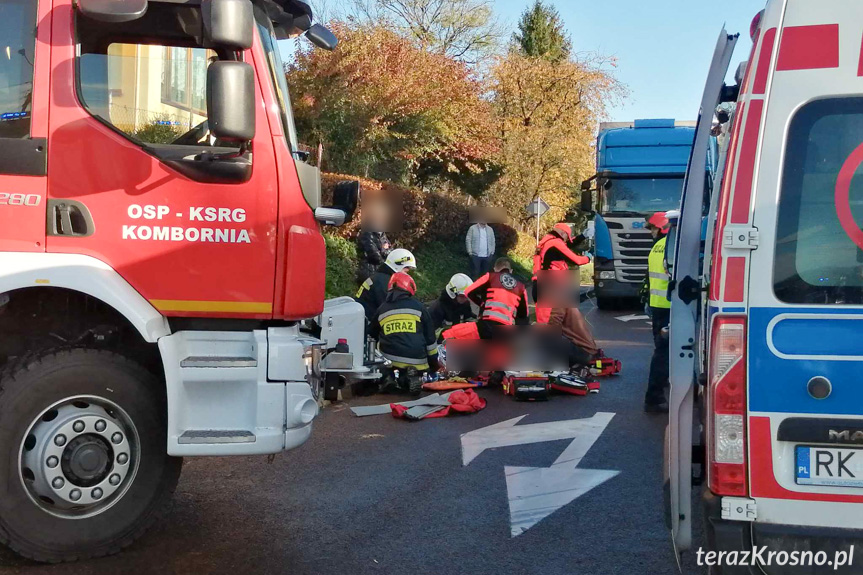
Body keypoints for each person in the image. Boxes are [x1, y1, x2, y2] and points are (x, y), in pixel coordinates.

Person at [369, 272, 439, 396]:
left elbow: (370, 335)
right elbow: (430, 338)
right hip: (418, 358)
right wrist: (434, 365)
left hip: (391, 359)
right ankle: (411, 376)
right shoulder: (419, 307)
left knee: (379, 346)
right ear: (410, 288)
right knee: (415, 366)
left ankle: (389, 377)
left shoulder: (382, 309)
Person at [533, 223, 592, 324]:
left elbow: (566, 244)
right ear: (562, 233)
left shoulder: (547, 241)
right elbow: (576, 260)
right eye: (566, 236)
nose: (566, 239)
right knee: (550, 319)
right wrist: (588, 258)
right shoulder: (556, 243)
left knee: (547, 318)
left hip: (540, 282)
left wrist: (582, 236)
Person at [644, 211, 671, 413]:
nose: (651, 232)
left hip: (658, 306)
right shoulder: (670, 247)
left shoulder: (656, 247)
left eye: (653, 228)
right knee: (665, 354)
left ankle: (657, 396)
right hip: (672, 307)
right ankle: (654, 398)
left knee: (663, 353)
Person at [465, 258, 529, 339]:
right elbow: (524, 315)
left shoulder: (490, 276)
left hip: (486, 325)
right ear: (511, 271)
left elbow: (468, 291)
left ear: (495, 269)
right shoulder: (521, 287)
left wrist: (481, 303)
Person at [356, 248, 417, 322]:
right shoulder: (385, 282)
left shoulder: (378, 277)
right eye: (406, 269)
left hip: (361, 319)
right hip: (366, 322)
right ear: (398, 265)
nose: (407, 273)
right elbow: (389, 309)